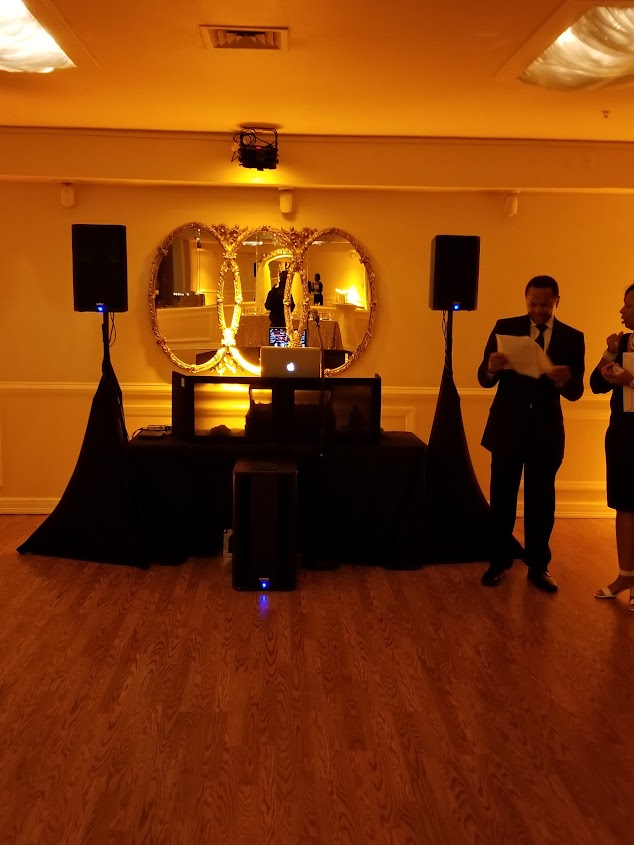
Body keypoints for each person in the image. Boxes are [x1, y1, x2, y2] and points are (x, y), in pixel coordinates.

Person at [478, 275, 585, 592]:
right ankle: (499, 561)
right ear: (525, 300)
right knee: (502, 499)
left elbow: (576, 391)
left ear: (557, 301)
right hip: (507, 427)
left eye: (545, 305)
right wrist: (492, 367)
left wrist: (564, 380)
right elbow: (483, 378)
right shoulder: (505, 327)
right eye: (532, 304)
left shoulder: (572, 337)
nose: (538, 310)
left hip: (545, 431)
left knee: (541, 503)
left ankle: (539, 566)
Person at [590, 283, 634, 612]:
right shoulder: (624, 343)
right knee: (623, 505)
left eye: (628, 305)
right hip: (622, 434)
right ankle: (625, 576)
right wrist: (609, 353)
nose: (621, 310)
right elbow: (595, 384)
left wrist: (630, 381)